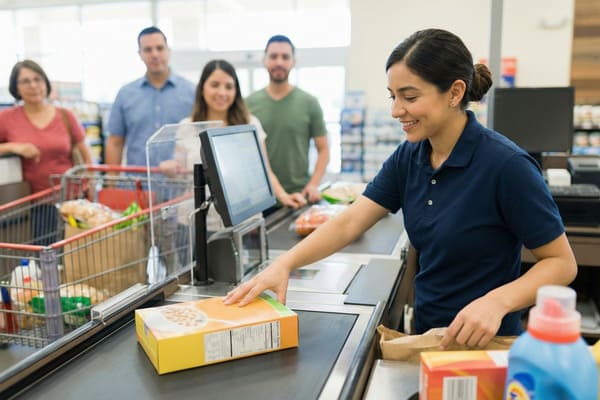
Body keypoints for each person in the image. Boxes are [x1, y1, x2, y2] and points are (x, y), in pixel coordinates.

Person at [224, 29, 577, 349]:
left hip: (489, 342)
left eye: (408, 97)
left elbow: (561, 263)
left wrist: (496, 302)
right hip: (429, 338)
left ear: (455, 92)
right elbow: (350, 222)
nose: (396, 110)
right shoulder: (411, 156)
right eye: (393, 96)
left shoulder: (506, 166)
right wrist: (284, 264)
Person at [160, 59, 306, 209]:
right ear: (202, 87)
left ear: (236, 91)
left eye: (229, 86)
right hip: (198, 219)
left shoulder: (250, 125)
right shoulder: (187, 127)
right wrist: (171, 169)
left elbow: (264, 171)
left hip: (242, 218)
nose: (222, 92)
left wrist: (284, 196)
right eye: (215, 85)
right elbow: (181, 174)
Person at [0, 59, 93, 244]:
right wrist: (13, 147)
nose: (33, 85)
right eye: (25, 81)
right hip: (31, 206)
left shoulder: (66, 116)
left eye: (38, 79)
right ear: (15, 87)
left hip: (72, 202)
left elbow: (86, 157)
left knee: (75, 260)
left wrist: (90, 186)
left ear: (46, 83)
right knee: (42, 261)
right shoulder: (6, 118)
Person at [246, 34, 330, 204]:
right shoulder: (247, 104)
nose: (279, 62)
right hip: (258, 199)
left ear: (293, 61)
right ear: (264, 60)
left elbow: (324, 149)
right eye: (273, 56)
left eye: (285, 57)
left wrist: (313, 185)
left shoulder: (309, 103)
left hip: (298, 196)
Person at [105, 26, 195, 168]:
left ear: (168, 51)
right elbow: (115, 142)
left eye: (160, 48)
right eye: (147, 49)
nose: (154, 54)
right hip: (137, 185)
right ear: (139, 54)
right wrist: (110, 184)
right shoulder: (125, 94)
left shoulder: (192, 92)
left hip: (180, 186)